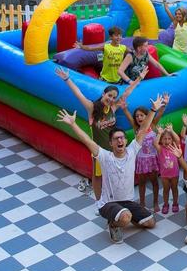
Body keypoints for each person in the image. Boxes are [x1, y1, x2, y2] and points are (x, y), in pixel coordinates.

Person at [56, 99, 160, 243]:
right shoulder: (105, 156)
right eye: (116, 139)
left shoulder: (132, 151)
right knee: (125, 218)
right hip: (108, 203)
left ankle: (126, 216)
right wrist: (73, 124)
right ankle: (114, 223)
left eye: (122, 138)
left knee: (151, 222)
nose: (120, 141)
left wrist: (153, 110)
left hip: (127, 201)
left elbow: (143, 130)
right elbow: (88, 141)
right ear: (110, 143)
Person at [55, 65, 148, 200]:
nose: (111, 99)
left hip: (114, 149)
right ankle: (99, 202)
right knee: (97, 176)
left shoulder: (113, 108)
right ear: (103, 94)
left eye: (113, 97)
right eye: (109, 95)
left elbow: (127, 92)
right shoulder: (92, 108)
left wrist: (139, 78)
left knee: (114, 174)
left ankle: (114, 197)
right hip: (98, 150)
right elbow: (78, 94)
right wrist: (67, 79)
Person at [124, 100, 167, 213]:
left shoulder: (152, 125)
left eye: (141, 115)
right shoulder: (136, 128)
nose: (139, 118)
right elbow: (129, 117)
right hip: (141, 160)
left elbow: (160, 113)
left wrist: (164, 104)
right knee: (141, 182)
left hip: (152, 159)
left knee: (154, 182)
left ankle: (155, 202)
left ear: (147, 116)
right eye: (137, 116)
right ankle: (142, 202)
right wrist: (124, 108)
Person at [154, 124, 181, 214]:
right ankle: (166, 204)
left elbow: (178, 139)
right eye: (164, 139)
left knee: (174, 189)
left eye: (169, 138)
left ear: (172, 140)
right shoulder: (160, 148)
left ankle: (175, 203)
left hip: (175, 174)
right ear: (161, 140)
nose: (167, 141)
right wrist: (159, 133)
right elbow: (155, 143)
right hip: (164, 175)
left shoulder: (174, 147)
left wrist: (172, 131)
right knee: (166, 190)